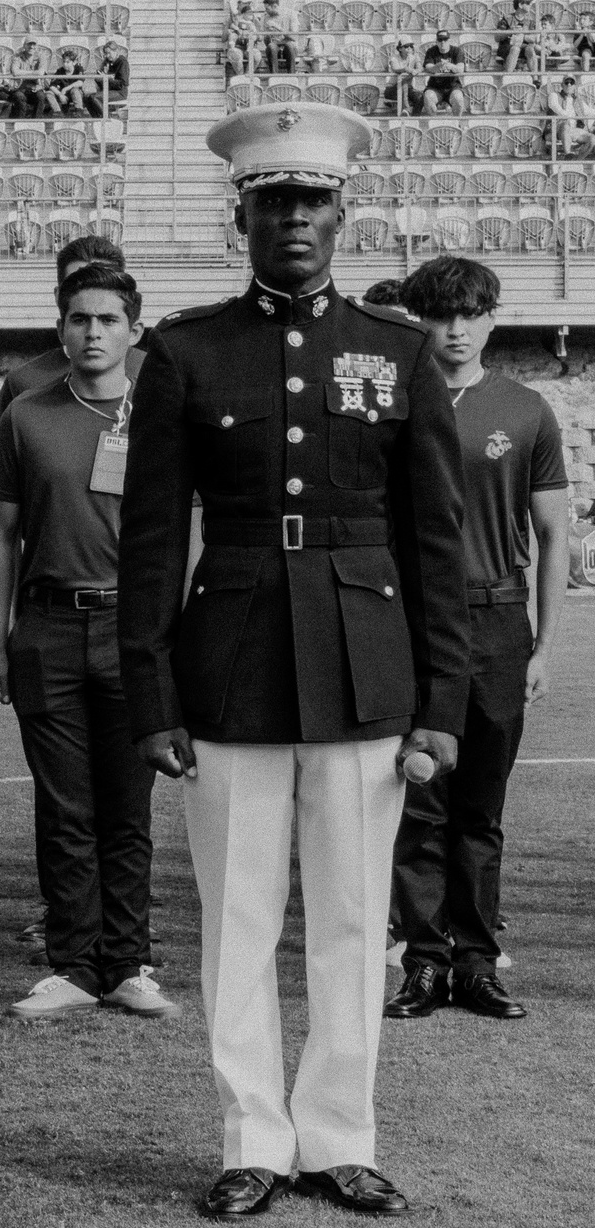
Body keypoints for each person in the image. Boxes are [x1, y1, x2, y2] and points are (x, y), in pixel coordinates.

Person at [116, 103, 470, 1219]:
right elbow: (152, 540)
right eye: (275, 204)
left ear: (343, 212)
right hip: (228, 666)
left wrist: (442, 700)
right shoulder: (183, 351)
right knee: (237, 915)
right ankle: (250, 1139)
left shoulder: (398, 349)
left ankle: (338, 1136)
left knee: (356, 918)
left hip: (368, 664)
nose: (296, 222)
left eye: (313, 202)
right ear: (243, 217)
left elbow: (436, 543)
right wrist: (152, 688)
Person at [0, 263, 181, 1024]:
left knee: (127, 807)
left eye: (107, 319)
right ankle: (72, 963)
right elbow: (0, 531)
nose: (92, 333)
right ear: (59, 326)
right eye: (78, 319)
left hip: (137, 631)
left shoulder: (163, 408)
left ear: (134, 326)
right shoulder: (28, 413)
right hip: (50, 627)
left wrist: (176, 628)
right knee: (64, 806)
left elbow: (191, 523)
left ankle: (128, 962)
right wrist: (0, 642)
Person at [385, 257, 568, 1024]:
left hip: (496, 623)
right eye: (438, 315)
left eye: (468, 314)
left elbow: (556, 533)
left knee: (480, 807)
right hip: (413, 623)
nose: (454, 330)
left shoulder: (526, 410)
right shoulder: (392, 406)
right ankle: (423, 963)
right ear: (417, 321)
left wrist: (546, 644)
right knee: (418, 802)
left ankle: (478, 963)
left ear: (492, 317)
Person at [0, 236, 144, 426]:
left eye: (103, 281)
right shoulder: (24, 383)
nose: (91, 291)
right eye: (75, 283)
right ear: (58, 296)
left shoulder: (156, 374)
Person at [547, 75, 595, 159]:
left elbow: (590, 112)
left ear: (574, 86)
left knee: (592, 138)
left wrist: (589, 125)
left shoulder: (578, 100)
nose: (569, 85)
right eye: (566, 82)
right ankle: (568, 155)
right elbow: (555, 107)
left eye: (571, 82)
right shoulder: (554, 95)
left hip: (574, 130)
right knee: (565, 125)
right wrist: (568, 117)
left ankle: (577, 161)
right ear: (562, 85)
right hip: (555, 130)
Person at [422, 30, 464, 116]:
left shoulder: (457, 51)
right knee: (428, 96)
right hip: (435, 87)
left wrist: (451, 66)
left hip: (453, 86)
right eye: (440, 40)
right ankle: (433, 123)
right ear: (436, 41)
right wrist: (438, 66)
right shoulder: (431, 51)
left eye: (445, 39)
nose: (443, 42)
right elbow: (428, 67)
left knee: (458, 98)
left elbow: (460, 69)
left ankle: (457, 123)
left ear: (449, 40)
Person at [84, 39, 128, 117]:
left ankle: (108, 119)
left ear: (116, 51)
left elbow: (123, 84)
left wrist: (106, 79)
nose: (107, 56)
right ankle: (97, 120)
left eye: (109, 53)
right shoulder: (107, 61)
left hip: (120, 92)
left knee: (95, 98)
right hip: (108, 90)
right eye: (106, 53)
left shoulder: (122, 62)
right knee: (86, 98)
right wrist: (99, 78)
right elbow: (100, 80)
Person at [496, 0, 538, 74]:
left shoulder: (530, 21)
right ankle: (508, 77)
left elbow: (535, 38)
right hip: (506, 47)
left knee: (530, 50)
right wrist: (510, 32)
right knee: (515, 49)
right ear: (520, 5)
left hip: (523, 46)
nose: (530, 5)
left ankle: (536, 79)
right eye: (528, 3)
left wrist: (523, 35)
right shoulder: (506, 19)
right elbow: (497, 37)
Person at [384, 38, 422, 116]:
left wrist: (416, 71)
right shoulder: (394, 58)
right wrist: (406, 69)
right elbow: (395, 69)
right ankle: (406, 109)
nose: (410, 48)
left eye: (411, 46)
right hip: (392, 89)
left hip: (408, 88)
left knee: (420, 97)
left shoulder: (414, 57)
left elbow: (420, 68)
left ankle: (415, 117)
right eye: (406, 46)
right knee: (404, 83)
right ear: (400, 48)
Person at [258, 0, 297, 75]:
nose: (266, 11)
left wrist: (277, 27)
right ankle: (274, 77)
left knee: (290, 46)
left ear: (275, 6)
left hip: (289, 45)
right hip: (274, 46)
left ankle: (292, 76)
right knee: (271, 47)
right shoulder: (265, 17)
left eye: (267, 9)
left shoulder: (290, 14)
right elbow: (265, 41)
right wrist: (267, 34)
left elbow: (294, 37)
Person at [9, 39, 46, 118]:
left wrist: (22, 73)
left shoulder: (41, 56)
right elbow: (15, 72)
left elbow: (41, 72)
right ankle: (20, 122)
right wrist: (34, 73)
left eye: (34, 44)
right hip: (20, 87)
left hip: (35, 86)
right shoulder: (17, 56)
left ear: (37, 46)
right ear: (24, 46)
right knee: (19, 97)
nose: (31, 47)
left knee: (41, 97)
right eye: (29, 44)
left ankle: (36, 121)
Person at [45, 48, 85, 116]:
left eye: (67, 62)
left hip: (76, 94)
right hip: (63, 94)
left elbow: (80, 82)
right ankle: (58, 112)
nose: (65, 64)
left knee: (74, 90)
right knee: (49, 93)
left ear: (74, 62)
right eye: (63, 62)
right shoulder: (60, 71)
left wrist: (65, 88)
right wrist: (60, 95)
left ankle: (79, 111)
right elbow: (52, 86)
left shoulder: (79, 69)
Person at [226, 0, 259, 77]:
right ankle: (241, 77)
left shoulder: (253, 20)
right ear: (239, 3)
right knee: (235, 52)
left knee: (256, 55)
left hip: (248, 43)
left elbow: (259, 37)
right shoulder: (234, 17)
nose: (245, 5)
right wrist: (233, 30)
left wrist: (253, 34)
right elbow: (224, 37)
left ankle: (247, 76)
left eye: (248, 3)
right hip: (237, 45)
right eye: (243, 3)